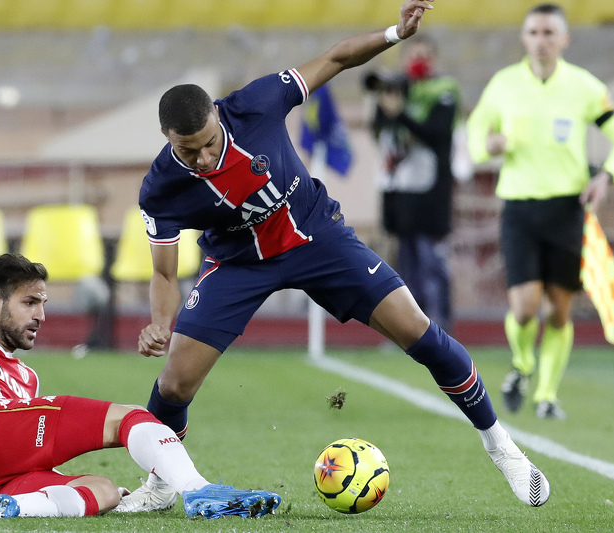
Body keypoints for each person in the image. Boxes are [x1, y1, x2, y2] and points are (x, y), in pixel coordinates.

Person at [135, 0, 550, 508]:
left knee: (418, 331)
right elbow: (162, 270)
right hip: (238, 262)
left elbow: (335, 59)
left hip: (316, 236)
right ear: (165, 138)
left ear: (218, 117)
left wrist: (395, 33)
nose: (201, 158)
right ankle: (159, 483)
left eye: (207, 143)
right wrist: (160, 321)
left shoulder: (257, 103)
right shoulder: (159, 188)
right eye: (186, 150)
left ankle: (501, 446)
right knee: (174, 382)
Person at [0, 253, 280, 519]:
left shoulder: (27, 377)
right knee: (130, 418)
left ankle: (7, 509)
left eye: (43, 303)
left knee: (104, 490)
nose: (41, 315)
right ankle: (198, 490)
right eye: (29, 302)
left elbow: (21, 446)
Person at [466, 4, 614, 420]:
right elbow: (474, 134)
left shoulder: (583, 87)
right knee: (526, 307)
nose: (539, 40)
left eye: (548, 32)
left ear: (564, 39)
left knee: (559, 311)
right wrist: (488, 146)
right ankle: (522, 365)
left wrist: (607, 176)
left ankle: (547, 395)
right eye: (532, 32)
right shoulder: (504, 84)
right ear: (523, 38)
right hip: (520, 209)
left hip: (567, 210)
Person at [365, 34, 460, 331]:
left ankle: (441, 324)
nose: (418, 62)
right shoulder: (397, 88)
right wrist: (383, 105)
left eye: (425, 56)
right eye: (414, 56)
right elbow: (379, 130)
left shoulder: (443, 90)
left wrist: (401, 114)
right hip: (399, 187)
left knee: (430, 261)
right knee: (404, 263)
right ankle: (412, 328)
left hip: (430, 189)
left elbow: (437, 133)